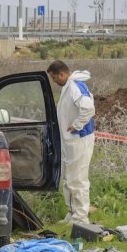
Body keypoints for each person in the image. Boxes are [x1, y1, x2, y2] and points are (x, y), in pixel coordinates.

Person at [46, 60, 95, 225]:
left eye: (54, 78)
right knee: (69, 178)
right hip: (70, 141)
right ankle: (72, 212)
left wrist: (77, 125)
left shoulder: (75, 86)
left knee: (78, 179)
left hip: (79, 139)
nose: (54, 81)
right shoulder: (69, 86)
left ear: (62, 74)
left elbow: (88, 109)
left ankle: (81, 217)